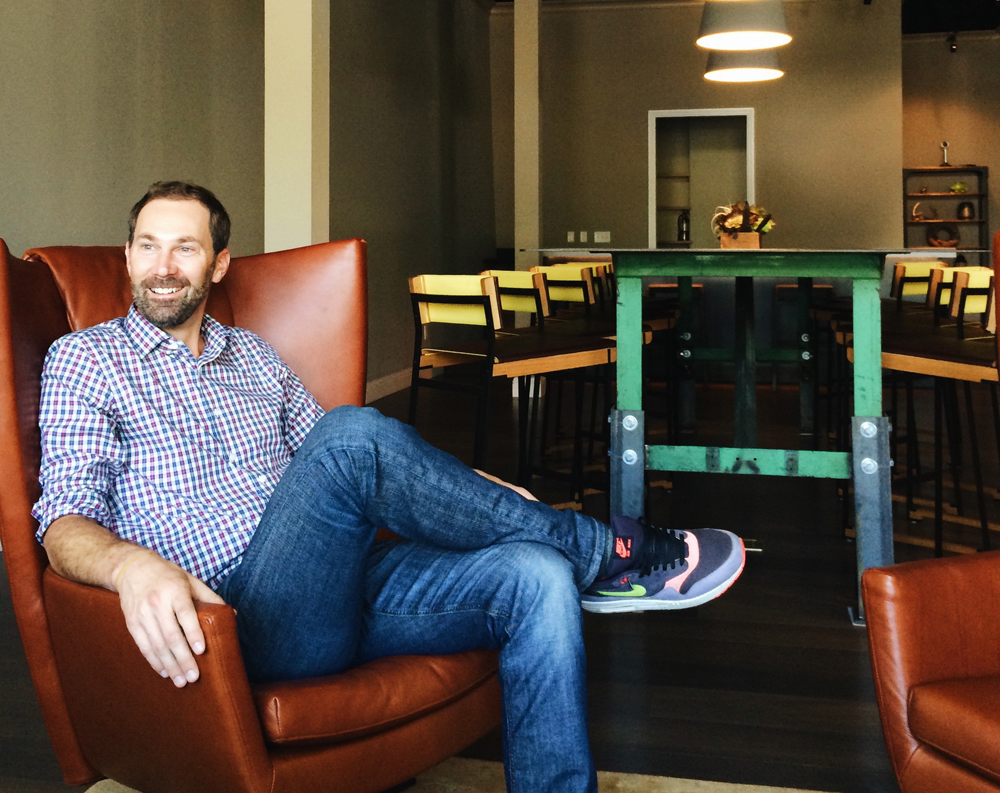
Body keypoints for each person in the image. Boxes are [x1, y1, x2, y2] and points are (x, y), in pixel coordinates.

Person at [33, 181, 745, 793]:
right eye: (148, 245)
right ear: (127, 255)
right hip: (242, 613)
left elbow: (370, 471)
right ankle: (609, 548)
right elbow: (63, 518)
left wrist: (485, 492)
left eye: (184, 248)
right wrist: (131, 566)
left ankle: (576, 574)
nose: (163, 266)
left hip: (345, 578)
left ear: (218, 264)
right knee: (350, 434)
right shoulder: (86, 360)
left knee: (535, 571)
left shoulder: (251, 354)